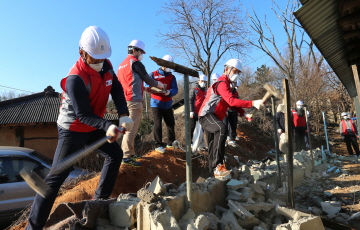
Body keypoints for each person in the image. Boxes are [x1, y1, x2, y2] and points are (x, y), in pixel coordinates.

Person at [25, 26, 133, 230]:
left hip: (93, 126)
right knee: (54, 181)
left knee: (115, 154)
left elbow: (117, 88)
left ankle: (98, 203)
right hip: (72, 129)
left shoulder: (107, 66)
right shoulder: (75, 78)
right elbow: (83, 114)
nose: (99, 62)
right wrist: (107, 125)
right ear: (82, 53)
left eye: (102, 57)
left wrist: (124, 114)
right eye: (95, 58)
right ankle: (33, 227)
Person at [198, 59, 263, 177]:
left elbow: (232, 103)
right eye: (235, 71)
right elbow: (231, 101)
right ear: (227, 69)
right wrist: (252, 103)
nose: (236, 74)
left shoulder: (228, 86)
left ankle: (213, 172)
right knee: (221, 129)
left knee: (213, 144)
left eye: (238, 72)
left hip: (214, 116)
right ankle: (218, 166)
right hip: (206, 115)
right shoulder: (222, 83)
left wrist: (244, 114)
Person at [117, 40, 165, 166]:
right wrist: (159, 85)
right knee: (130, 129)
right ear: (135, 50)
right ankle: (126, 156)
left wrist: (144, 88)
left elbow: (129, 82)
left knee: (129, 127)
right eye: (140, 52)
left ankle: (130, 153)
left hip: (124, 100)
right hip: (133, 100)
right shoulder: (136, 63)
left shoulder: (122, 64)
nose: (141, 54)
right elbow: (147, 78)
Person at [146, 55, 178, 153]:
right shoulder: (153, 74)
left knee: (170, 123)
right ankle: (158, 145)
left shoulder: (172, 77)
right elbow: (147, 86)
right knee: (157, 124)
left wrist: (169, 92)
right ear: (162, 64)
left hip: (167, 103)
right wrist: (156, 89)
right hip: (156, 103)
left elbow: (175, 89)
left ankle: (170, 142)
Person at [189, 74, 208, 141]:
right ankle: (189, 143)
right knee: (191, 128)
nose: (203, 82)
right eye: (202, 81)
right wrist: (191, 111)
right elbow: (190, 100)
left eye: (204, 81)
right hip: (194, 112)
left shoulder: (206, 91)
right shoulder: (194, 90)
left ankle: (199, 143)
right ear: (199, 81)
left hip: (202, 113)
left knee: (201, 130)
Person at [224, 79, 240, 147]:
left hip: (233, 110)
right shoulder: (226, 91)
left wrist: (239, 110)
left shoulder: (235, 92)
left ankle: (231, 138)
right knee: (224, 125)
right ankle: (224, 139)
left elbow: (237, 101)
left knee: (233, 125)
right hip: (226, 110)